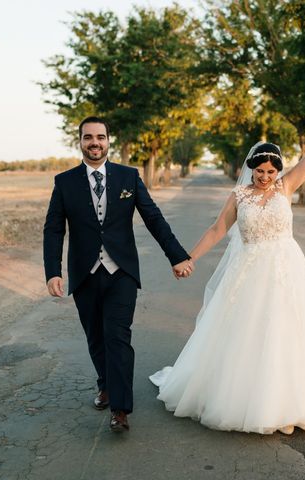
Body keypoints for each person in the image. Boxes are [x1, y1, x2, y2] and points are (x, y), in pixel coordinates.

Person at [150, 103, 305, 434]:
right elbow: (217, 230)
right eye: (259, 171)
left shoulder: (286, 187)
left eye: (270, 172)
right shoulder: (239, 196)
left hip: (286, 270)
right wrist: (188, 258)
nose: (264, 178)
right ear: (251, 169)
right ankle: (244, 399)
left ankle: (291, 403)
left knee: (289, 333)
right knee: (247, 334)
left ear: (278, 171)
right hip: (248, 271)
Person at [43, 116, 193, 433]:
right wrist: (52, 272)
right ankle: (106, 385)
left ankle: (120, 409)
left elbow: (154, 218)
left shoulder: (129, 177)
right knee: (96, 338)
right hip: (84, 274)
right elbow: (54, 230)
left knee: (117, 338)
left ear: (109, 140)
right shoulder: (64, 182)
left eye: (100, 137)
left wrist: (176, 256)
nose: (94, 142)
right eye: (88, 137)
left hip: (121, 272)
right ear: (80, 141)